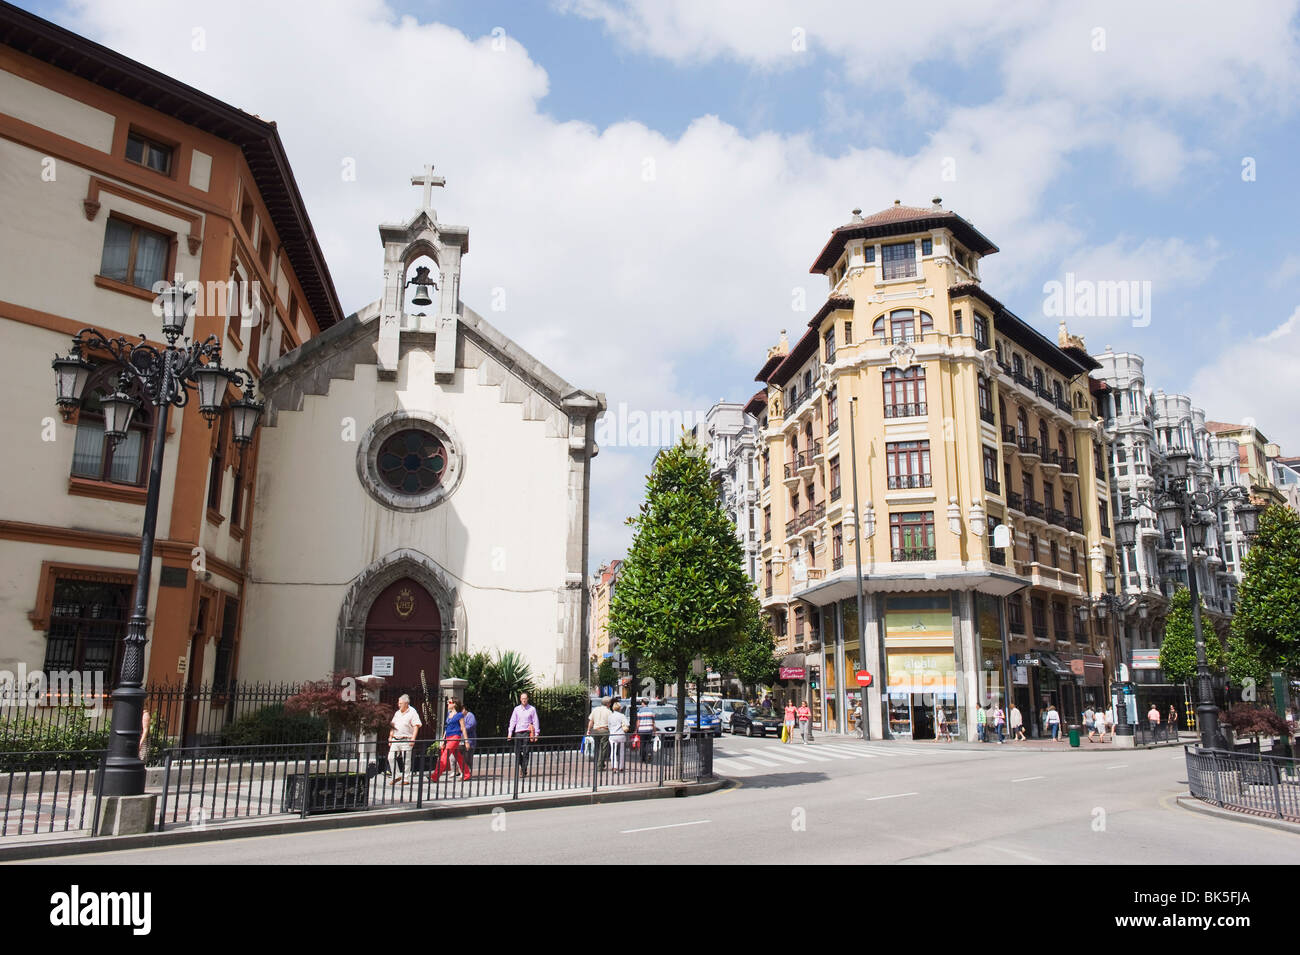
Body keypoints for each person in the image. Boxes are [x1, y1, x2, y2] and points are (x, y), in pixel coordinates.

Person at [429, 698, 471, 783]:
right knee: (458, 756)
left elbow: (463, 728)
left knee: (444, 755)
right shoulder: (449, 714)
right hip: (448, 738)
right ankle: (466, 774)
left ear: (454, 704)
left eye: (449, 702)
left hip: (455, 737)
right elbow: (446, 728)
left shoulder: (459, 715)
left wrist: (466, 741)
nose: (448, 703)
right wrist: (443, 740)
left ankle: (435, 776)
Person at [387, 694, 422, 785]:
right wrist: (390, 737)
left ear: (406, 703)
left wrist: (413, 739)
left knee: (406, 760)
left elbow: (416, 726)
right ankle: (397, 775)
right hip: (396, 738)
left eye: (400, 703)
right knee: (391, 757)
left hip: (406, 739)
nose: (398, 705)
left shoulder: (412, 712)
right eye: (399, 703)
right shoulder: (397, 713)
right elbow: (393, 726)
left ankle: (405, 779)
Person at [507, 691, 539, 777]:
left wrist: (536, 733)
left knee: (526, 752)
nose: (524, 700)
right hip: (518, 732)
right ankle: (522, 766)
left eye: (525, 698)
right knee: (516, 751)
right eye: (522, 699)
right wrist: (510, 732)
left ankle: (524, 770)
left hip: (527, 732)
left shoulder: (532, 709)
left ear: (527, 699)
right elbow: (513, 721)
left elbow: (535, 721)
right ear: (520, 699)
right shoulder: (516, 709)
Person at [587, 696, 613, 771]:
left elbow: (591, 721)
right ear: (608, 703)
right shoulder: (609, 712)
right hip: (604, 730)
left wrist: (588, 730)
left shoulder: (595, 709)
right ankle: (599, 766)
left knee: (597, 748)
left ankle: (600, 763)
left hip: (595, 730)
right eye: (610, 703)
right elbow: (611, 723)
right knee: (603, 749)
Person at [456, 703, 478, 779]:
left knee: (467, 757)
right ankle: (463, 772)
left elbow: (471, 725)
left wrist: (462, 728)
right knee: (462, 757)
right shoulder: (460, 717)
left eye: (461, 710)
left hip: (469, 740)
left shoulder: (470, 716)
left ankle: (468, 773)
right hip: (461, 740)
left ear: (464, 709)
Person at [609, 700, 628, 772]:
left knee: (613, 751)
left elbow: (609, 725)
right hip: (621, 734)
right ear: (619, 708)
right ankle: (621, 767)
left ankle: (614, 766)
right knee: (622, 751)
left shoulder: (610, 716)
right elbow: (627, 724)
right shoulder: (622, 716)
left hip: (613, 734)